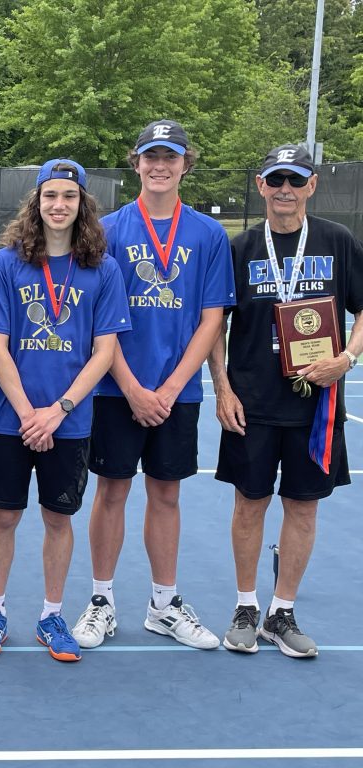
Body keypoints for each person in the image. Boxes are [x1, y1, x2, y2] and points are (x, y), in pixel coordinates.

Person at [73, 120, 235, 650]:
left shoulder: (208, 235)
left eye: (170, 157)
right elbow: (98, 319)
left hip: (177, 392)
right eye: (151, 156)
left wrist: (168, 390)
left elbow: (212, 319)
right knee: (111, 491)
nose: (160, 166)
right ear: (136, 162)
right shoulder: (108, 229)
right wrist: (133, 388)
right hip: (115, 388)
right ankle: (101, 601)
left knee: (166, 493)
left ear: (185, 164)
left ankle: (163, 605)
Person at [0, 160, 129, 661]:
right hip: (11, 420)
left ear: (83, 204)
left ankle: (51, 615)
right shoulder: (6, 263)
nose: (59, 205)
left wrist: (57, 411)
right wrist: (27, 414)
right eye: (50, 196)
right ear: (36, 203)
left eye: (69, 196)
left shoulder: (103, 268)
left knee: (59, 519)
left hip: (70, 421)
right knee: (4, 516)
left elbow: (104, 351)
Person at [208, 144, 363, 658]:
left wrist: (347, 358)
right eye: (276, 180)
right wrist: (223, 387)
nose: (285, 190)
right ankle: (246, 607)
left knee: (303, 506)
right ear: (261, 185)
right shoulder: (240, 247)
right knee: (249, 503)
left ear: (312, 185)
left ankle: (282, 612)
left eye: (296, 180)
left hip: (316, 405)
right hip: (251, 402)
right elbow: (214, 324)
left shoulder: (337, 241)